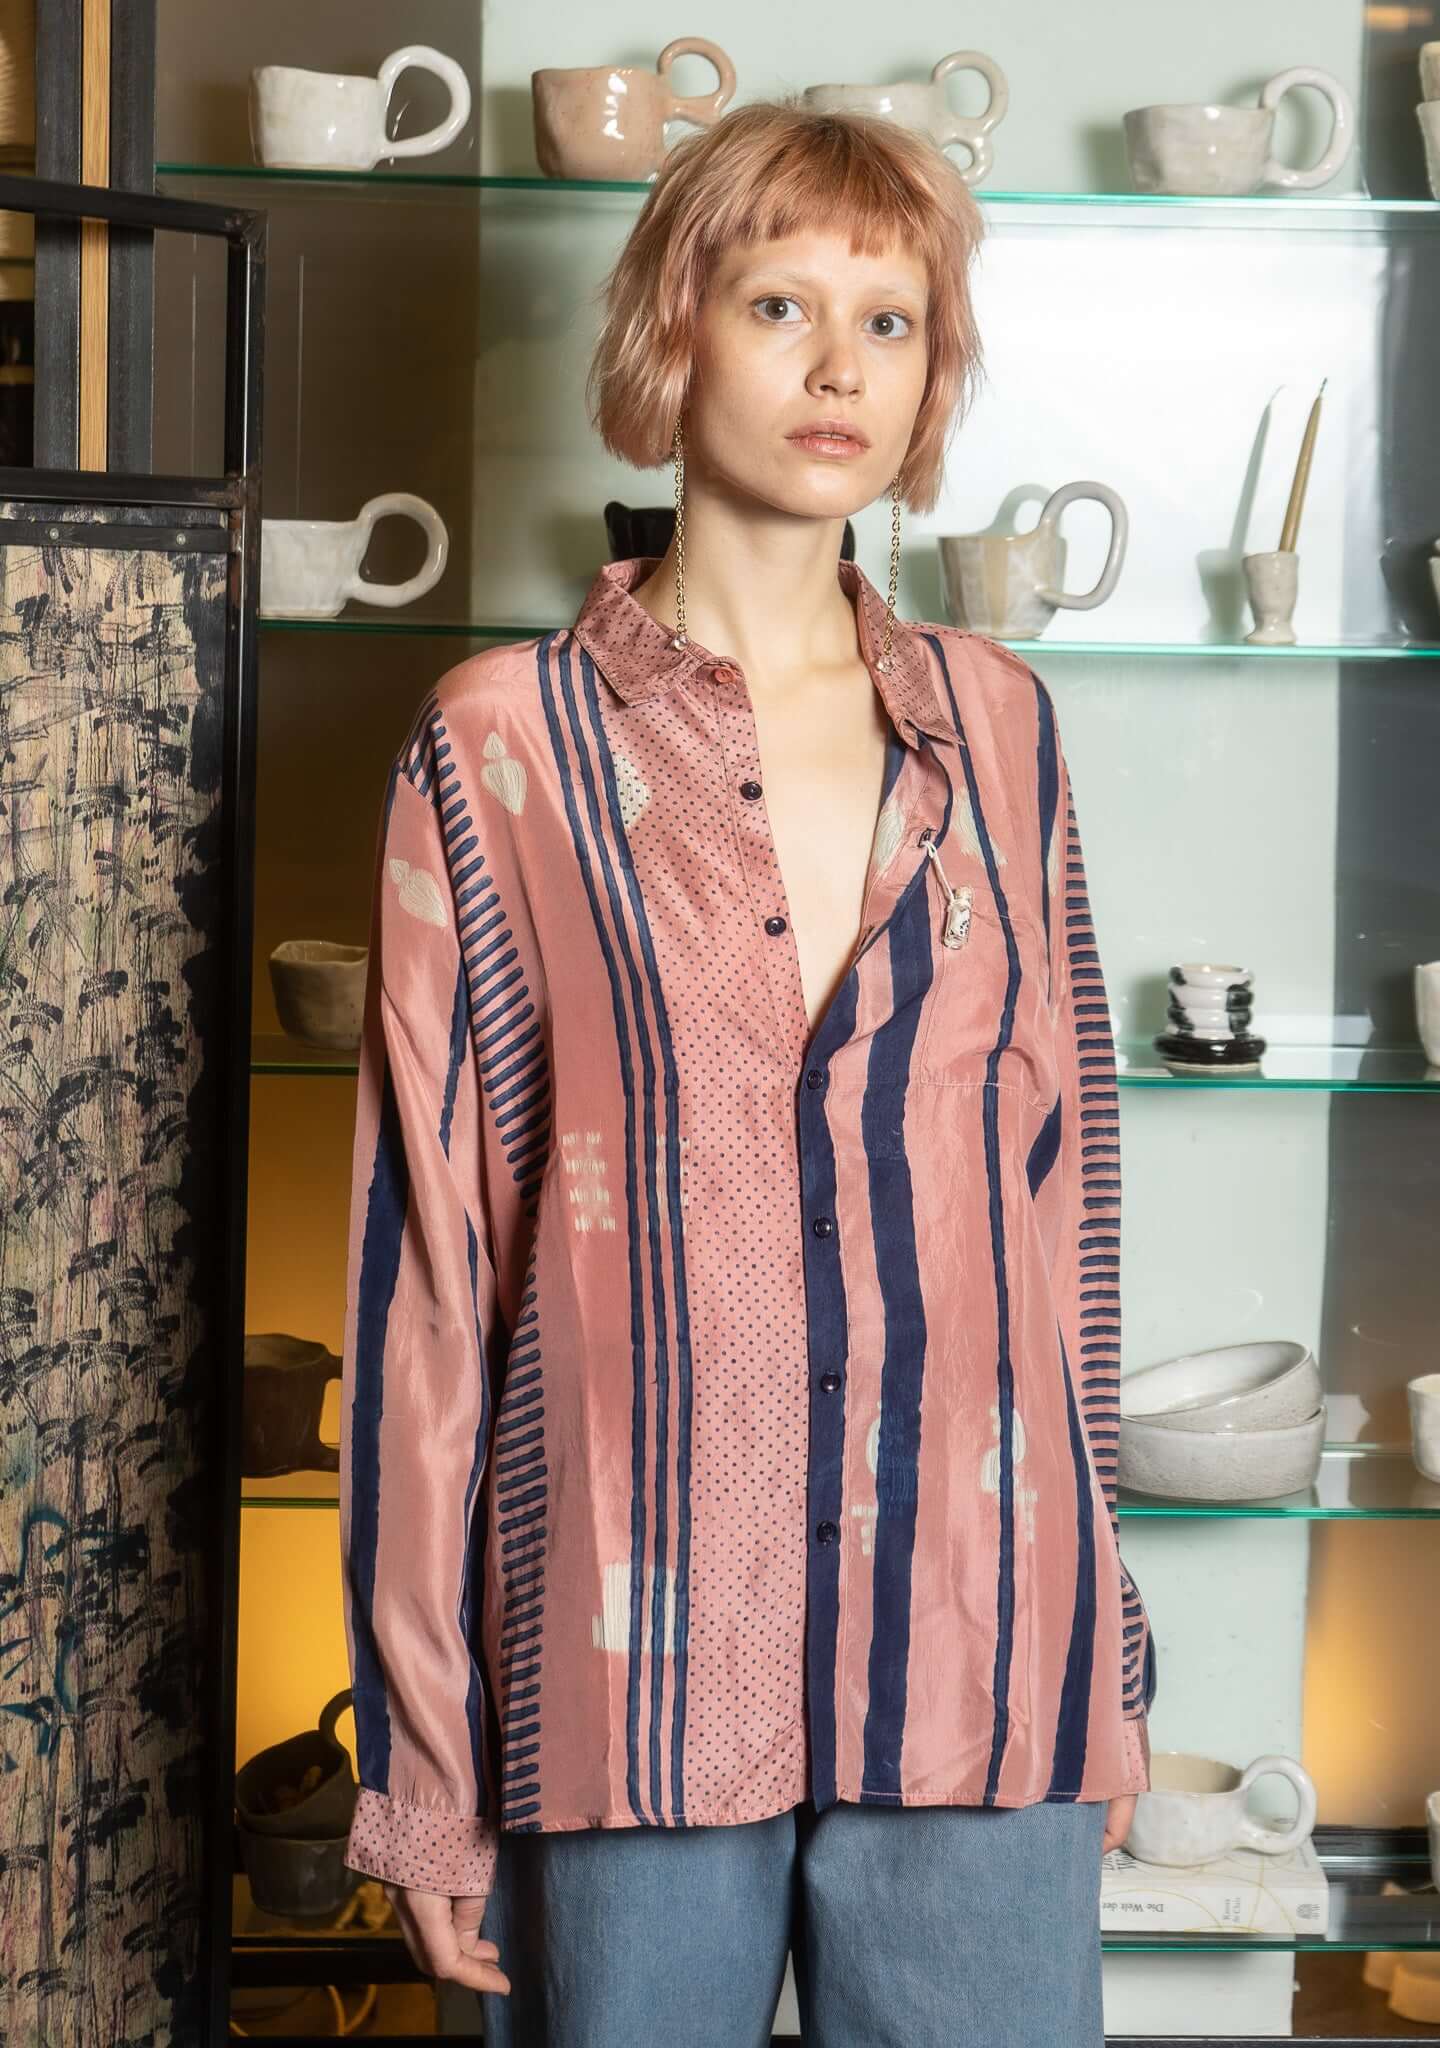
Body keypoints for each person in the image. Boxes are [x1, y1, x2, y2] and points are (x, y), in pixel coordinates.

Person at [337, 98, 1156, 2046]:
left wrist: (1103, 1657)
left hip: (983, 1644)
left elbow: (1068, 1216)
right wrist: (426, 1761)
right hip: (629, 1655)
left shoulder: (1002, 729)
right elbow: (430, 1283)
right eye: (782, 303)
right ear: (672, 333)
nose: (838, 367)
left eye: (892, 322)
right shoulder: (501, 744)